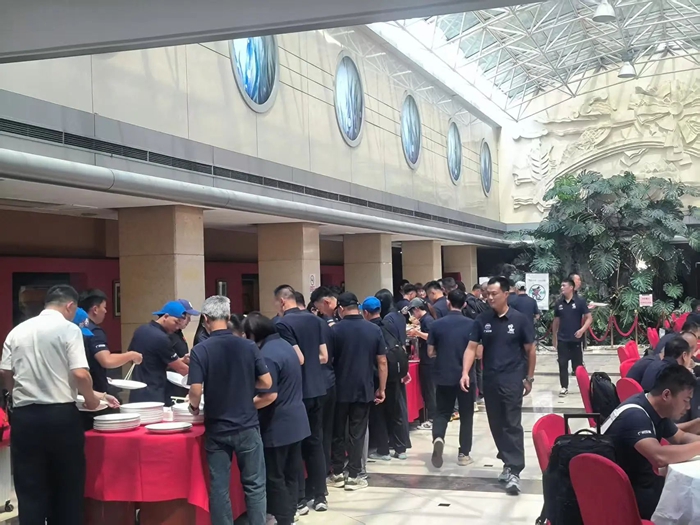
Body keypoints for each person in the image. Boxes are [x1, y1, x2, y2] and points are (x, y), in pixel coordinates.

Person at [0, 285, 116, 524]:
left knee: (29, 488)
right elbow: (80, 374)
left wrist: (15, 395)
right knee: (66, 487)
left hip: (24, 416)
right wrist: (92, 400)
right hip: (60, 416)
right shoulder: (68, 329)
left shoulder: (17, 331)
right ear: (70, 306)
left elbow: (5, 371)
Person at [188, 296, 271, 525]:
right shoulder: (248, 346)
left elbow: (195, 390)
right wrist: (246, 385)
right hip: (247, 424)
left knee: (219, 487)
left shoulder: (200, 350)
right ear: (228, 316)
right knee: (255, 485)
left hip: (217, 428)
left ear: (205, 319)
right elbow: (266, 382)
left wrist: (193, 407)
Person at [461, 276, 536, 496]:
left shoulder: (520, 320)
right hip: (490, 380)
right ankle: (507, 461)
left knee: (512, 423)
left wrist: (529, 378)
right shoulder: (482, 319)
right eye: (487, 294)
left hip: (513, 379)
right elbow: (471, 347)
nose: (490, 298)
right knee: (496, 424)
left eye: (494, 294)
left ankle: (515, 469)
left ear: (506, 294)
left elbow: (530, 350)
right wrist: (465, 372)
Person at [602, 364, 700, 519]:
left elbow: (680, 437)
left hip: (641, 482)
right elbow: (659, 456)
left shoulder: (654, 407)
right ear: (666, 395)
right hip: (627, 496)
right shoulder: (635, 415)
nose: (688, 407)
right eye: (685, 400)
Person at [243, 313, 310, 525]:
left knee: (275, 475)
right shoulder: (285, 345)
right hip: (296, 420)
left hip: (278, 424)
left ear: (254, 333)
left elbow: (269, 395)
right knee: (291, 472)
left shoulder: (267, 355)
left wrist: (244, 407)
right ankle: (291, 512)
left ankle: (283, 517)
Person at [273, 285, 329, 513]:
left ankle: (299, 499)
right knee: (315, 443)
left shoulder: (282, 324)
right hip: (318, 388)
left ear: (282, 301)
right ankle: (320, 495)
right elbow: (324, 356)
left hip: (296, 393)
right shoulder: (316, 321)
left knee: (295, 446)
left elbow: (298, 358)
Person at [329, 293, 387, 491]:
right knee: (357, 432)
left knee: (337, 431)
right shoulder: (373, 329)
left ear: (341, 308)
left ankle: (337, 473)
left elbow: (328, 360)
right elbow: (382, 361)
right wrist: (382, 388)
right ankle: (354, 475)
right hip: (364, 387)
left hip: (338, 388)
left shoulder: (334, 330)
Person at [427, 289, 475, 468]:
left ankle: (438, 437)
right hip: (466, 376)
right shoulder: (473, 324)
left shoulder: (436, 325)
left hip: (443, 374)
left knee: (442, 412)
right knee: (466, 415)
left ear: (448, 303)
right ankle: (464, 454)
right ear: (464, 304)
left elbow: (430, 352)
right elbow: (478, 353)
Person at [363, 297, 409, 461]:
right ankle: (400, 448)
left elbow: (378, 359)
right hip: (395, 374)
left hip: (378, 375)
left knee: (379, 414)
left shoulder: (369, 329)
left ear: (365, 312)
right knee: (395, 411)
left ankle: (383, 450)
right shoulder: (390, 325)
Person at [78, 289, 142, 394]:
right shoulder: (94, 331)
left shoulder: (74, 327)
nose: (105, 311)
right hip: (93, 390)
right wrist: (131, 355)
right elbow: (107, 360)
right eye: (104, 307)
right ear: (95, 309)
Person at [128, 301, 190, 405]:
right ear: (166, 316)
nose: (177, 327)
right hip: (154, 393)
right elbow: (181, 368)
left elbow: (131, 358)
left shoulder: (141, 330)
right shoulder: (162, 338)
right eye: (176, 322)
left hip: (136, 390)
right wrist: (201, 379)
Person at [309, 286, 339, 479]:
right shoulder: (327, 325)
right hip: (331, 380)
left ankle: (320, 472)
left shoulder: (319, 325)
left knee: (318, 431)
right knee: (327, 430)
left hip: (319, 382)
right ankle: (327, 467)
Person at [552, 278, 592, 397]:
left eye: (564, 285)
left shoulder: (580, 302)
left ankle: (584, 387)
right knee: (562, 364)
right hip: (562, 339)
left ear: (571, 288)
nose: (561, 288)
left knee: (578, 366)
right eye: (561, 285)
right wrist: (554, 336)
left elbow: (589, 318)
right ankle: (564, 387)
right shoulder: (559, 303)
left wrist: (582, 330)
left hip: (576, 339)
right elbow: (556, 321)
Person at [407, 297, 436, 430]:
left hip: (429, 361)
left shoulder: (428, 320)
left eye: (413, 311)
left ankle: (432, 418)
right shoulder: (424, 320)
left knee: (430, 390)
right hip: (426, 359)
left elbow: (431, 337)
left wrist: (417, 333)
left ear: (417, 309)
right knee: (428, 390)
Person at [167, 298, 201, 399]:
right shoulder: (167, 335)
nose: (189, 320)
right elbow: (164, 361)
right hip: (170, 384)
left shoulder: (178, 333)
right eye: (187, 317)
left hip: (180, 382)